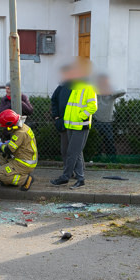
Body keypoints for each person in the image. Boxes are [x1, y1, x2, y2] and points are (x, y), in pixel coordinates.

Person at [51, 61, 97, 189]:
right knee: (76, 153)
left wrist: (81, 117)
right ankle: (80, 179)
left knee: (72, 153)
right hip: (71, 125)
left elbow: (93, 106)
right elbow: (69, 106)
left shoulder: (88, 87)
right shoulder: (75, 86)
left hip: (80, 125)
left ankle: (66, 178)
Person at [0, 109, 36, 191]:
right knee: (1, 153)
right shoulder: (23, 127)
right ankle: (9, 176)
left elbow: (9, 150)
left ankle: (25, 179)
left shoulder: (20, 133)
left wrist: (1, 145)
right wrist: (7, 143)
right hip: (25, 158)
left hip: (23, 163)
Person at [93, 74, 125, 158]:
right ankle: (98, 158)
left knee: (109, 141)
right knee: (97, 142)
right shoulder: (95, 93)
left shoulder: (111, 94)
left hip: (108, 122)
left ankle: (111, 159)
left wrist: (110, 92)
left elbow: (123, 91)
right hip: (96, 121)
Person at [50, 64, 74, 168]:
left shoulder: (79, 87)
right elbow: (54, 100)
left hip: (75, 123)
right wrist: (56, 116)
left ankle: (77, 171)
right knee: (65, 149)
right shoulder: (61, 87)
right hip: (63, 123)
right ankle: (68, 170)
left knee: (74, 149)